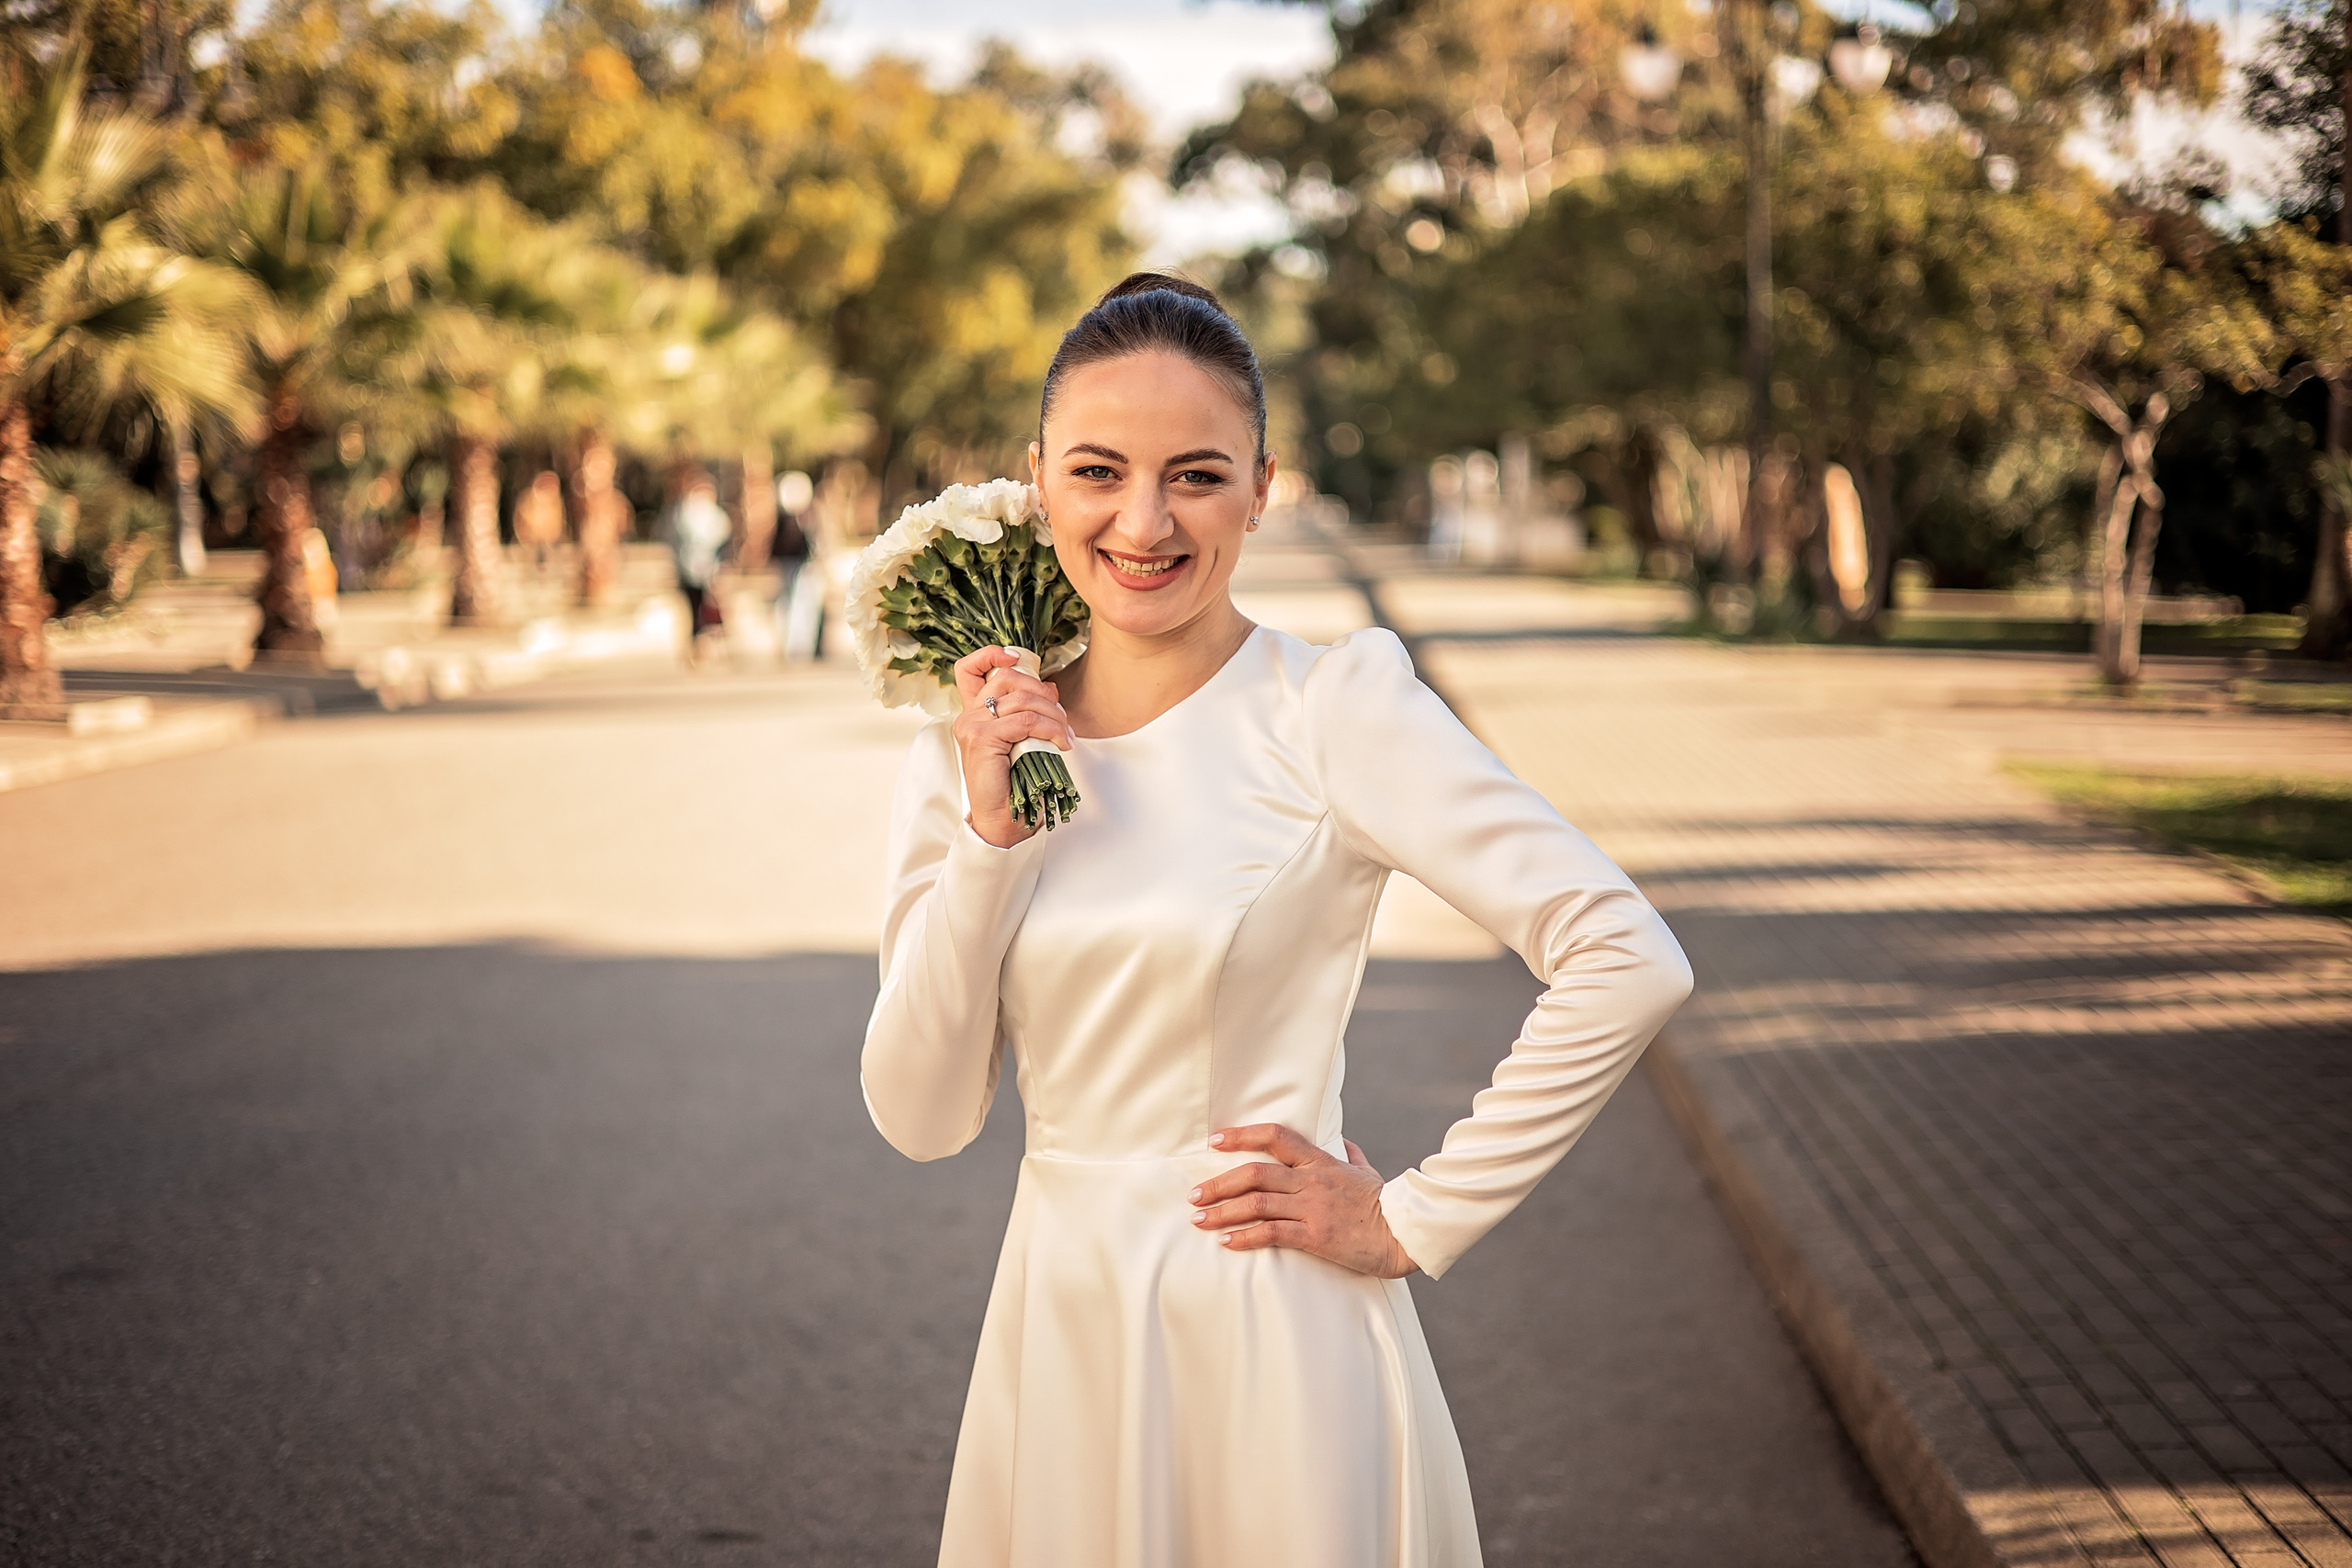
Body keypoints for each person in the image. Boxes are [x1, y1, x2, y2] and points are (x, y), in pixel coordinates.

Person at [861, 274, 1693, 1567]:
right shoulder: (968, 751)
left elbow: (1627, 955)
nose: (1143, 522)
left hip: (1269, 1341)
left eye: (1196, 476)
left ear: (1259, 488)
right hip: (1061, 1327)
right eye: (1098, 471)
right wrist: (989, 838)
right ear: (1037, 481)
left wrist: (1415, 1216)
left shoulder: (1330, 708)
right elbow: (921, 1118)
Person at [662, 472, 731, 660]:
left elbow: (723, 546)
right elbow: (674, 543)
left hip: (709, 571)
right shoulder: (682, 515)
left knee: (711, 609)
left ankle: (709, 644)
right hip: (689, 571)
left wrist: (721, 570)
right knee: (694, 609)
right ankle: (696, 645)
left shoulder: (716, 517)